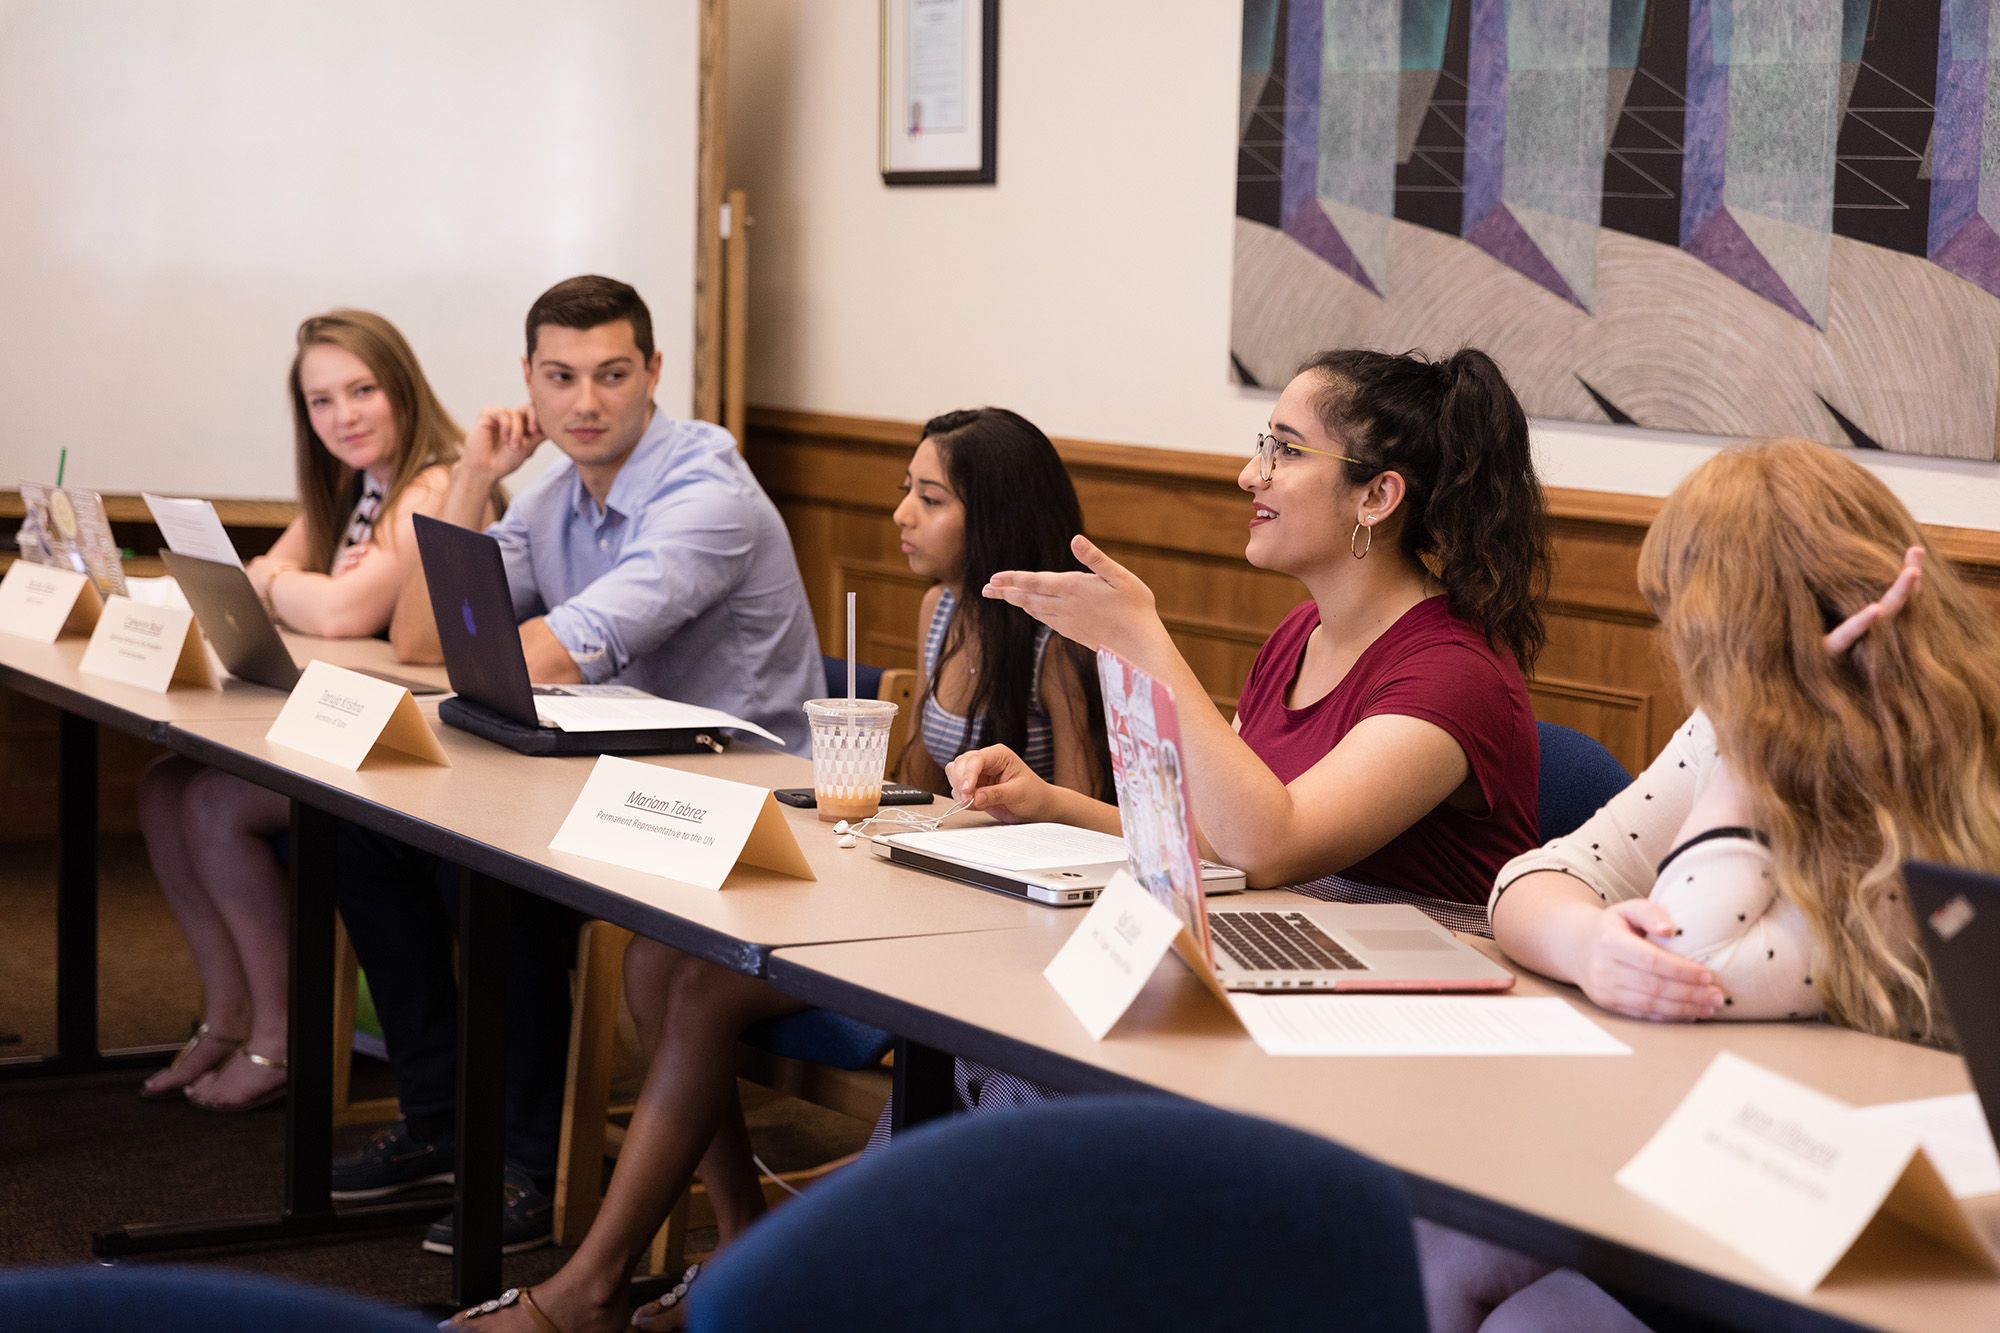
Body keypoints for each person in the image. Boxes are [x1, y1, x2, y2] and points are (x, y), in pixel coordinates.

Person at [445, 408, 1112, 1331]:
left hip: (996, 938)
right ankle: (740, 1241)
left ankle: (590, 1287)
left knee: (705, 991)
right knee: (652, 956)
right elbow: (913, 793)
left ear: (993, 514)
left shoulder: (1057, 641)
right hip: (917, 895)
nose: (900, 517)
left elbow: (1089, 837)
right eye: (901, 491)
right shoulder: (940, 609)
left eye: (928, 497)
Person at [331, 276, 822, 1257]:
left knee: (494, 872)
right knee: (364, 832)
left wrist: (482, 653)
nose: (585, 403)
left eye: (609, 375)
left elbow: (554, 651)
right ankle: (438, 1112)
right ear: (527, 381)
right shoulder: (557, 495)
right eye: (560, 378)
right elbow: (423, 634)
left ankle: (527, 1161)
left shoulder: (704, 492)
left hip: (745, 817)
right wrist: (473, 478)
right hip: (619, 783)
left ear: (652, 373)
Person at [953, 348, 1551, 934]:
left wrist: (1142, 642)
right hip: (1298, 940)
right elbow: (1224, 840)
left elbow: (1269, 849)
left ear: (1376, 497)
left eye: (1286, 450)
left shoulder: (1456, 672)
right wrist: (1050, 805)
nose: (1250, 475)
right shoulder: (1298, 635)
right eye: (1263, 445)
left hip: (1431, 984)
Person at [1491, 438, 2000, 1040]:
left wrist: (1750, 751)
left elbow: (1691, 970)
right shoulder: (1723, 726)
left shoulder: (1935, 756)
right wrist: (1584, 943)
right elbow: (1535, 878)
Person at [135, 309, 470, 1110]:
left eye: (363, 390)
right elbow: (269, 574)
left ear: (405, 389)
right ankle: (228, 1017)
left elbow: (343, 612)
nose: (344, 415)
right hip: (346, 732)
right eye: (322, 401)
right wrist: (293, 585)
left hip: (417, 758)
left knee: (215, 803)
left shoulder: (439, 483)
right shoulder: (355, 487)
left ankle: (281, 1038)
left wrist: (291, 587)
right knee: (161, 788)